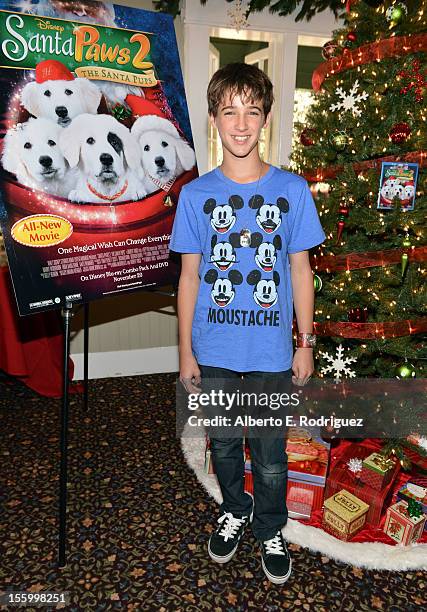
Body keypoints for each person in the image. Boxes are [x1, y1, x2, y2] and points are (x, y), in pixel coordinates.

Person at [170, 63, 325, 585]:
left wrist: (305, 343)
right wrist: (186, 352)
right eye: (229, 112)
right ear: (214, 118)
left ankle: (269, 526)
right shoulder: (195, 197)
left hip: (270, 353)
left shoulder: (293, 190)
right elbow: (189, 278)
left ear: (266, 120)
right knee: (224, 443)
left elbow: (301, 271)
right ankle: (233, 509)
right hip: (213, 349)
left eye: (251, 112)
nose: (241, 124)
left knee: (269, 449)